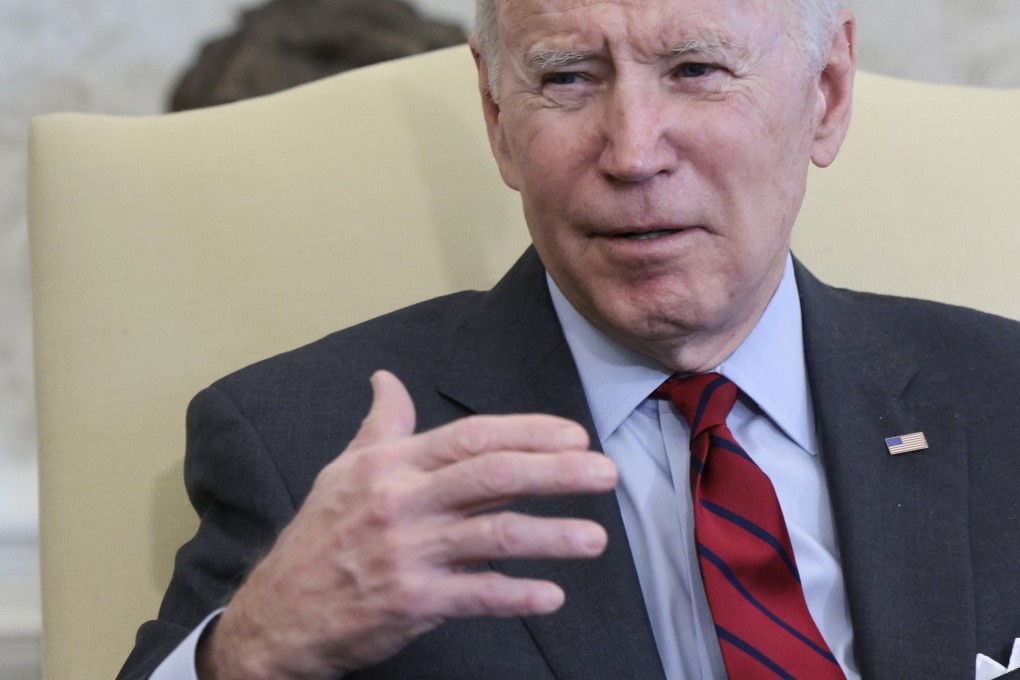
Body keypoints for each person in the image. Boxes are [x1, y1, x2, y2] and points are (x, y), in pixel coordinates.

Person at [119, 0, 1020, 678]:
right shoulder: (307, 446)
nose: (632, 152)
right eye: (567, 79)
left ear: (826, 95)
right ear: (496, 117)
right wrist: (253, 649)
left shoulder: (1003, 394)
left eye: (696, 69)